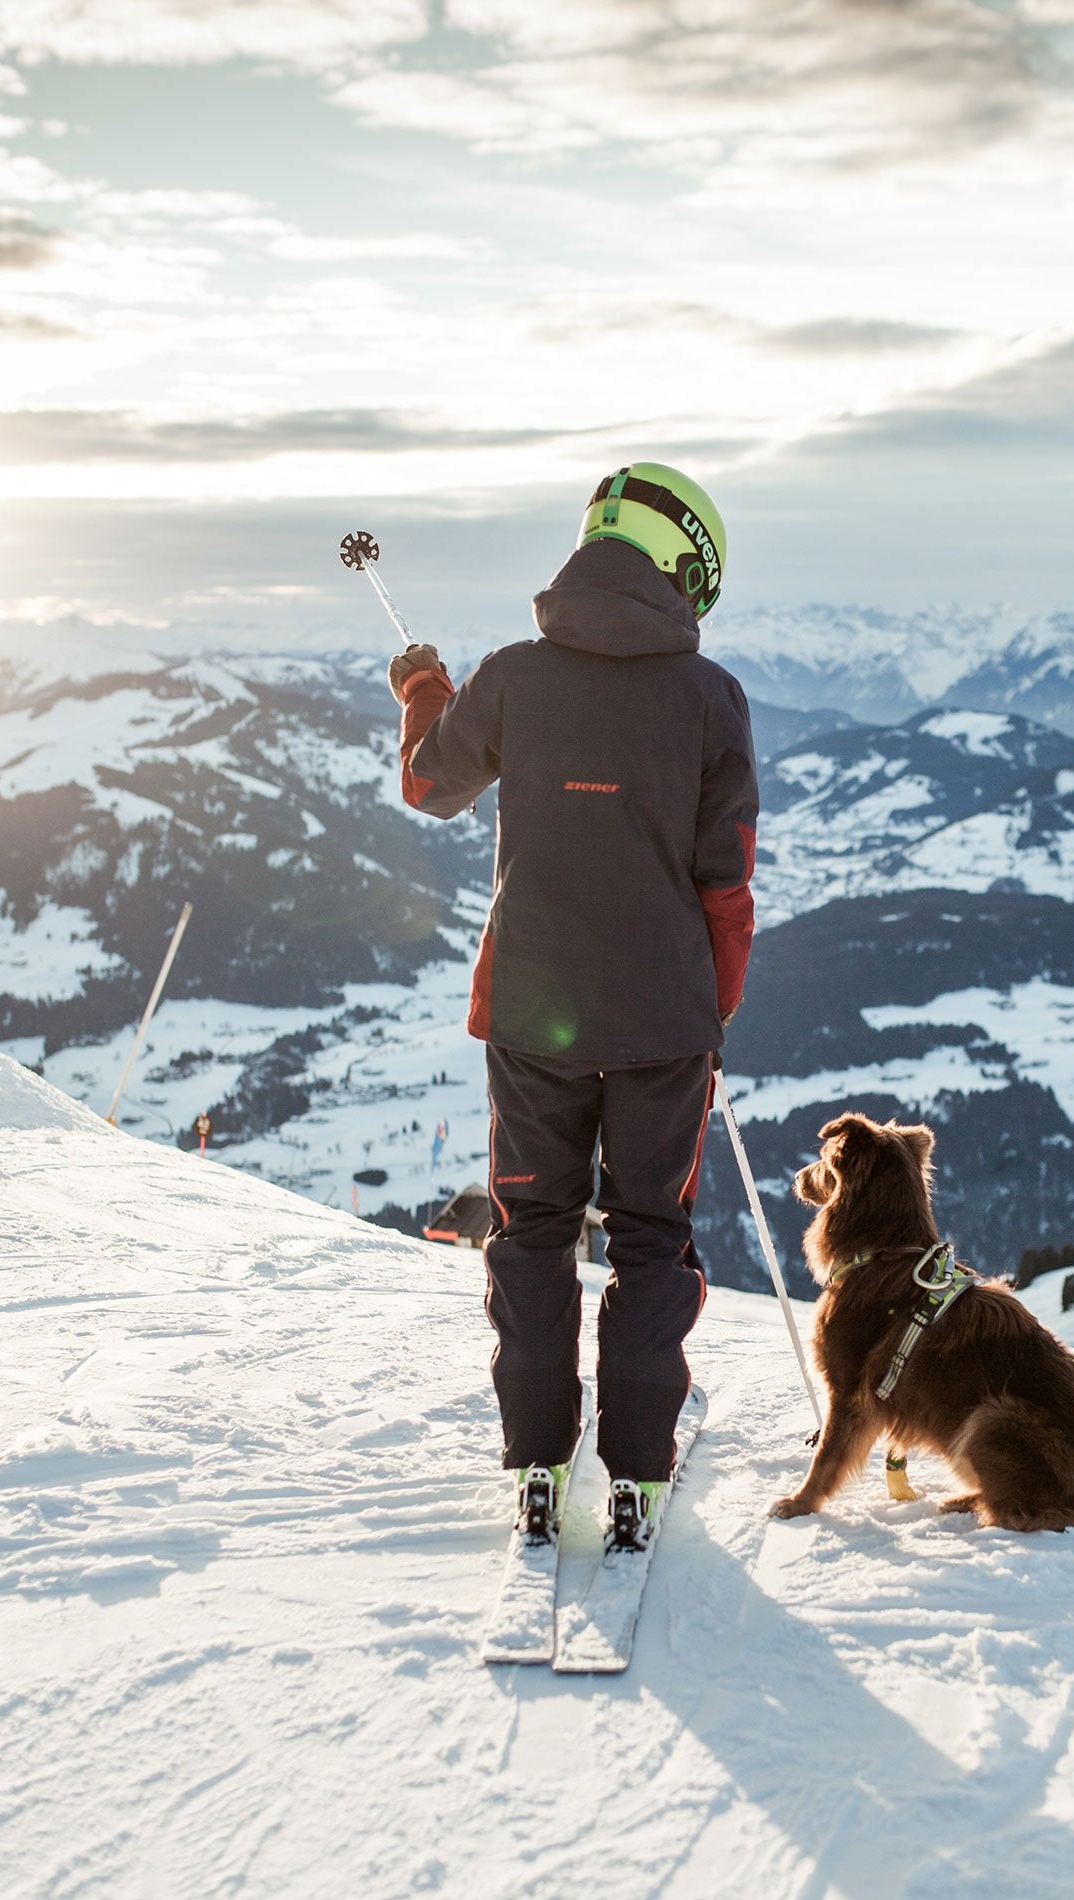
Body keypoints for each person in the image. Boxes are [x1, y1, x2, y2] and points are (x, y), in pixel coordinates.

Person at [387, 463, 756, 1549]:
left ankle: (539, 1464)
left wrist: (422, 694)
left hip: (532, 1012)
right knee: (651, 1239)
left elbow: (429, 785)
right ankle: (637, 1475)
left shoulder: (511, 677)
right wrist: (710, 1014)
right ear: (679, 564)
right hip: (664, 1028)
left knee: (531, 1232)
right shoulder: (711, 698)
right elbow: (724, 883)